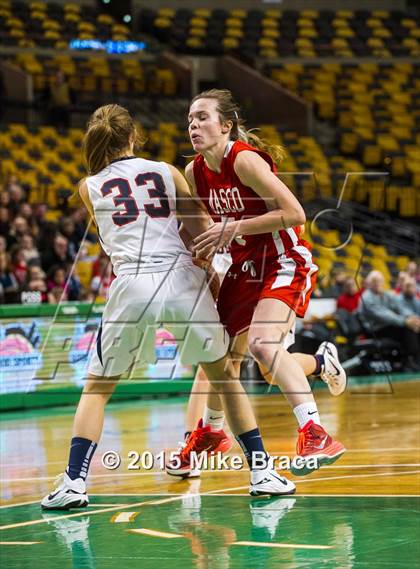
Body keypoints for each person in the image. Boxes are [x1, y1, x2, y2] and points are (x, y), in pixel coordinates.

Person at [41, 104, 296, 510]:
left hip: (132, 282)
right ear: (133, 137)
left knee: (97, 390)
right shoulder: (166, 170)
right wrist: (213, 276)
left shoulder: (88, 187)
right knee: (225, 378)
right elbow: (201, 233)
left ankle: (74, 483)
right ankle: (262, 471)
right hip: (181, 278)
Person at [168, 89, 345, 479]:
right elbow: (196, 225)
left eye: (202, 118)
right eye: (189, 121)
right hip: (244, 264)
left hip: (283, 259)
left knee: (264, 347)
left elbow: (295, 213)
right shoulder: (196, 171)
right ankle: (212, 432)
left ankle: (314, 432)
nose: (193, 126)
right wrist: (180, 259)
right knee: (220, 357)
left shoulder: (243, 160)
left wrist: (232, 228)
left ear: (226, 125)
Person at [358, 270, 420, 369]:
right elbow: (384, 315)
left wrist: (412, 317)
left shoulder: (386, 294)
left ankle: (413, 358)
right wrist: (405, 321)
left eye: (380, 281)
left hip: (387, 326)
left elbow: (399, 307)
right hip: (374, 330)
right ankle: (412, 360)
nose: (378, 283)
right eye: (374, 281)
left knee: (414, 326)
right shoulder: (366, 298)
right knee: (407, 329)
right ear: (369, 283)